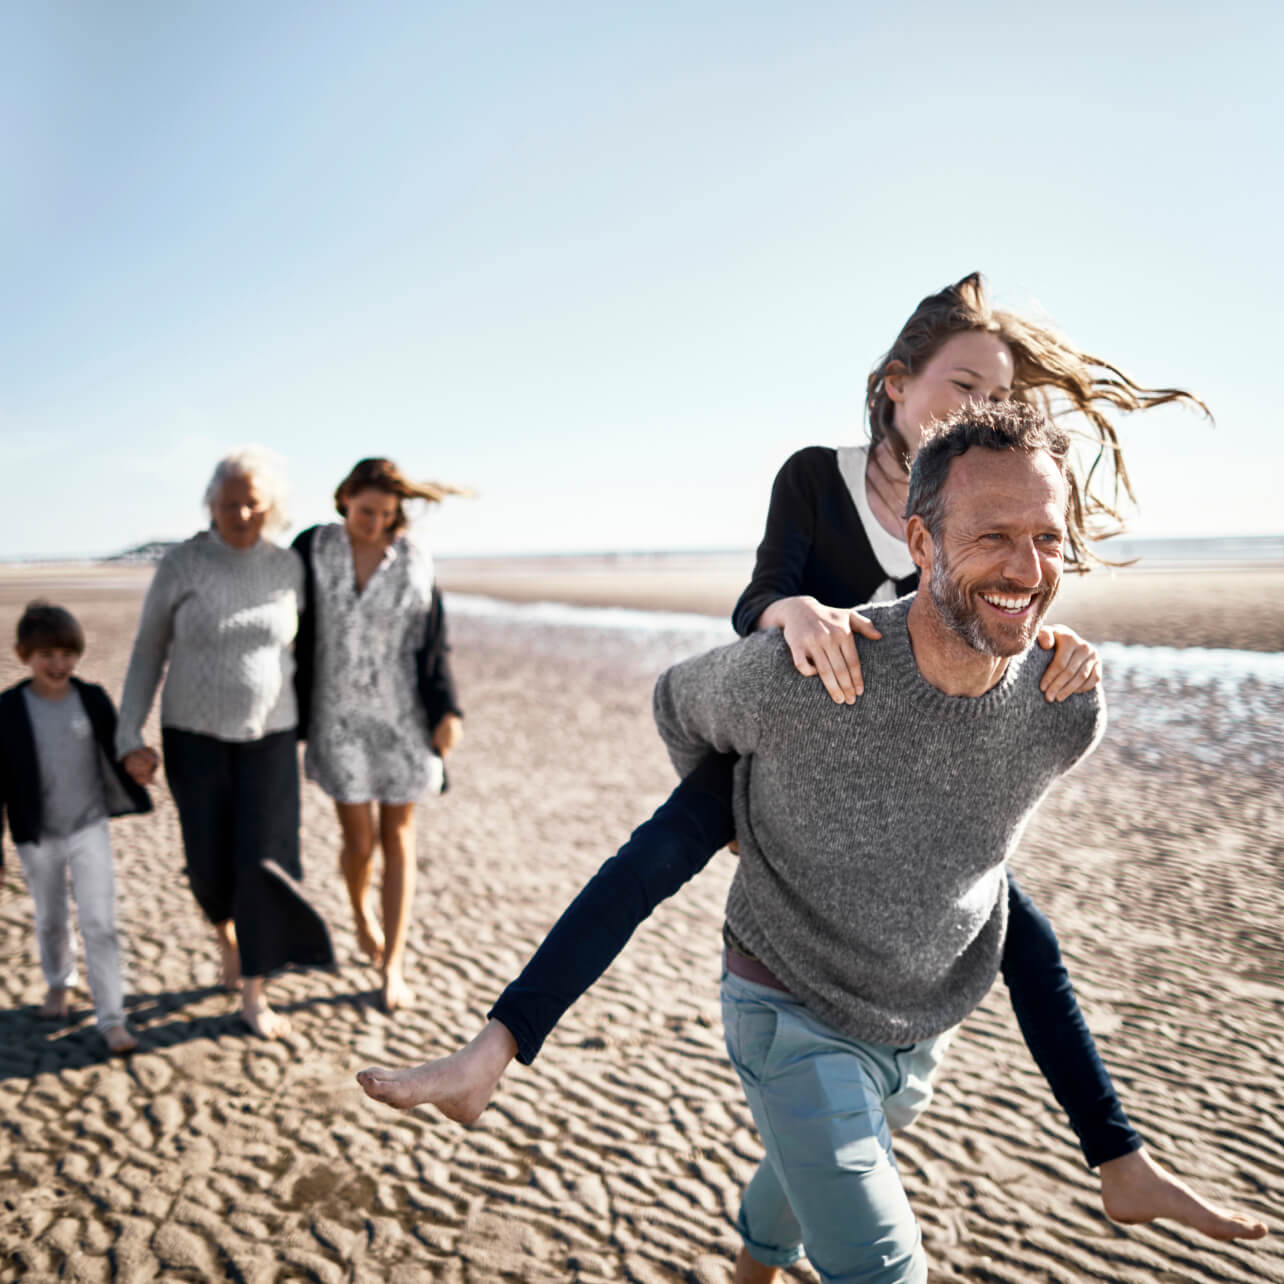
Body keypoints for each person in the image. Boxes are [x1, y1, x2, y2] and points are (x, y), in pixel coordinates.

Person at [357, 276, 1262, 1242]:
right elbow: (761, 598)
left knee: (1012, 926)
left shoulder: (973, 494)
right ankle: (493, 1051)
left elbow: (993, 595)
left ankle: (1116, 1158)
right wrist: (787, 622)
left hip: (893, 754)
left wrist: (1057, 642)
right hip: (785, 712)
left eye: (1000, 400)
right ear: (894, 386)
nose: (981, 412)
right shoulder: (819, 477)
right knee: (651, 859)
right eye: (962, 388)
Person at [116, 447, 334, 1039]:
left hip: (272, 737)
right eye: (229, 502)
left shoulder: (289, 568)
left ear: (272, 507)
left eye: (252, 503)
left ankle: (254, 992)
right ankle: (227, 937)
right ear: (210, 503)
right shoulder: (182, 565)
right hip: (192, 736)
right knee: (209, 865)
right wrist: (128, 732)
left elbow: (315, 652)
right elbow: (146, 652)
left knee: (263, 863)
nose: (241, 513)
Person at [293, 458, 467, 1013]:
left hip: (403, 717)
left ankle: (393, 962)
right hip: (335, 716)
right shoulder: (312, 549)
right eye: (367, 511)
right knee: (358, 840)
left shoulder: (413, 558)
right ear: (344, 498)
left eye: (387, 514)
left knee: (399, 836)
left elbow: (433, 639)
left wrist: (449, 710)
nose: (375, 523)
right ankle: (360, 912)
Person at [0, 602, 150, 1055]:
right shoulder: (7, 709)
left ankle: (112, 1019)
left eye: (67, 653)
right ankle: (59, 983)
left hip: (89, 828)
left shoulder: (92, 698)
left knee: (99, 924)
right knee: (50, 919)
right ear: (23, 654)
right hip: (36, 834)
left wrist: (141, 763)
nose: (58, 664)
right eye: (46, 654)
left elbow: (121, 748)